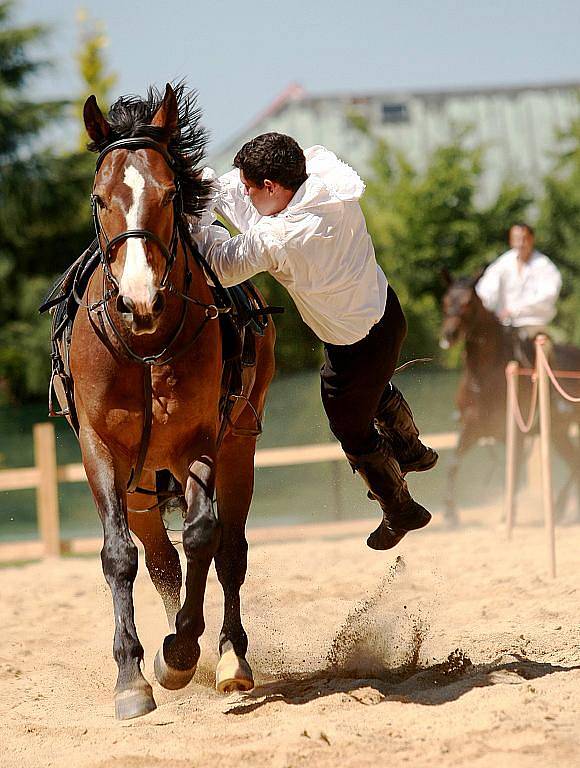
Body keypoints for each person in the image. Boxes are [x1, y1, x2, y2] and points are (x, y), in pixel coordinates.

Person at [191, 133, 437, 551]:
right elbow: (240, 191)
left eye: (252, 188)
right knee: (370, 389)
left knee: (350, 426)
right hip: (387, 313)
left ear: (271, 187)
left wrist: (198, 219)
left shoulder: (287, 235)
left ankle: (401, 510)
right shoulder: (319, 172)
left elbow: (223, 264)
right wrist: (205, 186)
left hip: (355, 347)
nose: (244, 192)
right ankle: (411, 449)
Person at [475, 223, 562, 343]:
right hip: (503, 325)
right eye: (516, 239)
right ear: (511, 241)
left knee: (542, 349)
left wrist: (514, 309)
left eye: (524, 239)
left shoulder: (544, 265)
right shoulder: (502, 263)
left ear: (532, 239)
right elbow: (486, 289)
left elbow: (548, 295)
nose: (520, 243)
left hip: (533, 324)